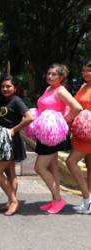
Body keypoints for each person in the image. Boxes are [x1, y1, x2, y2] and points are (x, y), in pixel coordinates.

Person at [34, 63, 82, 214]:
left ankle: (58, 200)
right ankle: (55, 199)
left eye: (54, 74)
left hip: (53, 134)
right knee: (52, 166)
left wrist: (63, 121)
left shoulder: (60, 90)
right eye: (48, 73)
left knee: (39, 167)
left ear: (61, 77)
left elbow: (77, 107)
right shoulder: (49, 88)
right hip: (45, 133)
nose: (50, 76)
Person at [0, 75, 34, 216]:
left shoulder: (16, 101)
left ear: (15, 88)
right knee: (10, 173)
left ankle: (14, 201)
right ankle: (11, 201)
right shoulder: (3, 101)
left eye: (8, 86)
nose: (5, 89)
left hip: (10, 142)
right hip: (2, 142)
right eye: (3, 86)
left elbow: (29, 117)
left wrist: (14, 130)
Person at [66, 59, 91, 214]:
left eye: (88, 70)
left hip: (89, 132)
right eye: (83, 71)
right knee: (90, 166)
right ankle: (89, 201)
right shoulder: (83, 86)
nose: (84, 73)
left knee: (70, 161)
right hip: (81, 132)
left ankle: (87, 199)